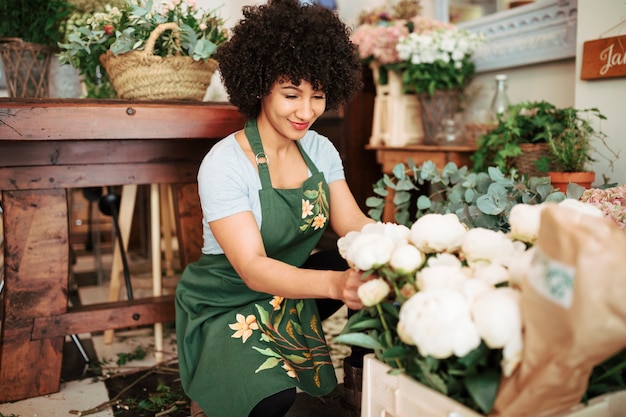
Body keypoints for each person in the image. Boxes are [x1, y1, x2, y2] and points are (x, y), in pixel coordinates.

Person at [175, 0, 374, 416]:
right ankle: (211, 369)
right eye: (291, 94)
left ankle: (363, 383)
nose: (306, 112)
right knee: (272, 399)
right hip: (229, 300)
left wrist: (399, 246)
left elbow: (352, 223)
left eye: (318, 96)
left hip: (290, 292)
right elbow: (251, 267)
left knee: (358, 260)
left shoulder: (320, 149)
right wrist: (338, 288)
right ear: (260, 85)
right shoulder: (226, 163)